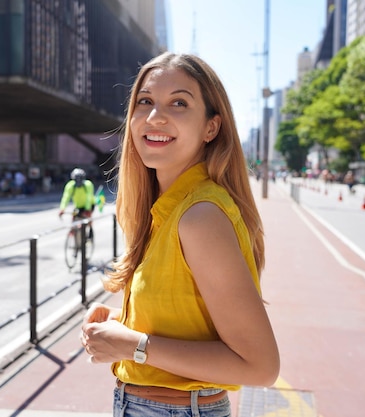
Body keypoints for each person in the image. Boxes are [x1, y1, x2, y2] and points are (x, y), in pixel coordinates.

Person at [80, 52, 279, 416]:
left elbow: (261, 366)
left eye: (179, 103)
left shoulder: (199, 216)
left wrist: (134, 345)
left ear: (211, 128)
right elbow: (190, 322)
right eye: (145, 101)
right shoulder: (169, 209)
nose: (156, 117)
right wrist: (124, 325)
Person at [58, 168, 95, 235]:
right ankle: (73, 233)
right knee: (74, 218)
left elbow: (88, 198)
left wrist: (87, 210)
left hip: (89, 205)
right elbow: (66, 197)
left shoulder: (88, 185)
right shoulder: (70, 186)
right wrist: (62, 209)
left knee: (87, 218)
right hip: (78, 206)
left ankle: (90, 231)